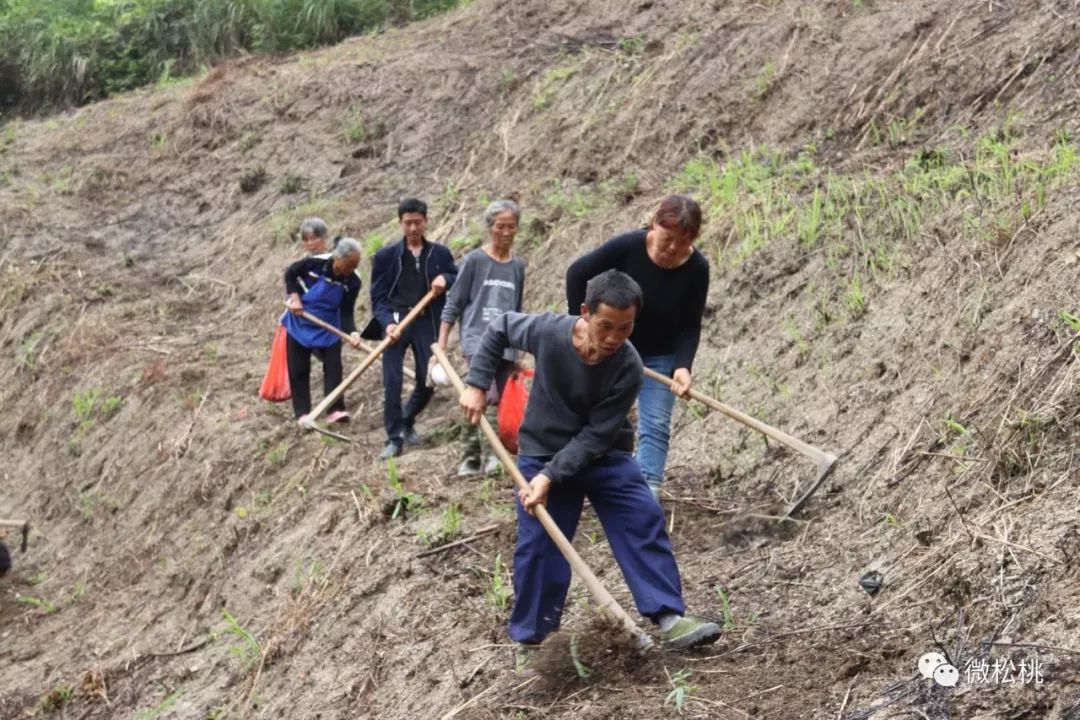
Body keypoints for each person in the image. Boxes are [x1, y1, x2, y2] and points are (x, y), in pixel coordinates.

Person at [460, 270, 721, 671]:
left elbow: (596, 436)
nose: (615, 337)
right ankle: (533, 640)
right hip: (542, 450)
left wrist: (550, 478)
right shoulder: (549, 332)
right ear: (584, 313)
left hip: (604, 454)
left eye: (625, 328)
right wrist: (477, 383)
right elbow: (499, 328)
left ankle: (669, 617)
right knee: (539, 545)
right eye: (606, 326)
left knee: (641, 517)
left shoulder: (629, 367)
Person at [565, 195, 709, 500]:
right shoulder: (629, 246)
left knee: (655, 424)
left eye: (682, 242)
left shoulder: (697, 268)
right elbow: (577, 273)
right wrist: (581, 326)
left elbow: (690, 324)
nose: (672, 248)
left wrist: (683, 365)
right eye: (668, 238)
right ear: (655, 224)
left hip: (660, 357)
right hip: (613, 350)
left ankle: (646, 498)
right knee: (593, 416)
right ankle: (575, 476)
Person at [438, 200, 526, 476]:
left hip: (507, 343)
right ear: (490, 228)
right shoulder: (476, 260)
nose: (506, 232)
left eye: (511, 227)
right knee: (485, 394)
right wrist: (442, 342)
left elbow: (517, 308)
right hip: (478, 339)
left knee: (490, 399)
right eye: (500, 226)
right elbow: (455, 301)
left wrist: (519, 350)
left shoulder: (517, 267)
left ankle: (473, 457)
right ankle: (487, 458)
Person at [369, 198, 458, 459]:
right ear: (400, 224)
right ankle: (394, 438)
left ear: (426, 221)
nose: (412, 228)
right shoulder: (386, 257)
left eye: (417, 222)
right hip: (396, 320)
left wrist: (446, 278)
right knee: (392, 381)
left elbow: (457, 276)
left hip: (426, 319)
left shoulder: (440, 254)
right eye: (407, 223)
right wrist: (388, 324)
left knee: (428, 379)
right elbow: (378, 297)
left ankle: (407, 419)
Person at [282, 238, 363, 425]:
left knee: (334, 367)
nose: (351, 270)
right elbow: (290, 275)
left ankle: (335, 410)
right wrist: (295, 298)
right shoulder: (314, 264)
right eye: (348, 265)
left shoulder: (353, 281)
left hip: (329, 328)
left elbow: (346, 311)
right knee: (299, 370)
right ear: (337, 257)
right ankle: (302, 413)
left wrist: (352, 333)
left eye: (355, 266)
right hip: (300, 322)